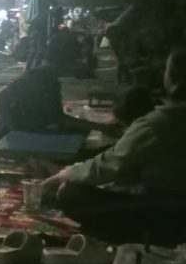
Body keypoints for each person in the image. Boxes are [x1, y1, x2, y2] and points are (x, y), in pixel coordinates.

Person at [42, 48, 186, 243]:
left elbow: (108, 166)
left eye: (167, 70)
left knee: (71, 194)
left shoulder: (160, 123)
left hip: (169, 209)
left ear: (174, 79)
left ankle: (134, 236)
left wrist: (64, 175)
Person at [0, 45, 114, 141]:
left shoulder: (50, 78)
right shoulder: (37, 76)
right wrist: (16, 131)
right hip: (14, 132)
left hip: (32, 127)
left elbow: (59, 118)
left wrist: (101, 127)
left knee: (81, 133)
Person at [24, 0, 57, 70]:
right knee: (41, 48)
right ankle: (35, 68)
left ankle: (28, 68)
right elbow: (46, 12)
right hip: (40, 25)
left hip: (31, 26)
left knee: (33, 48)